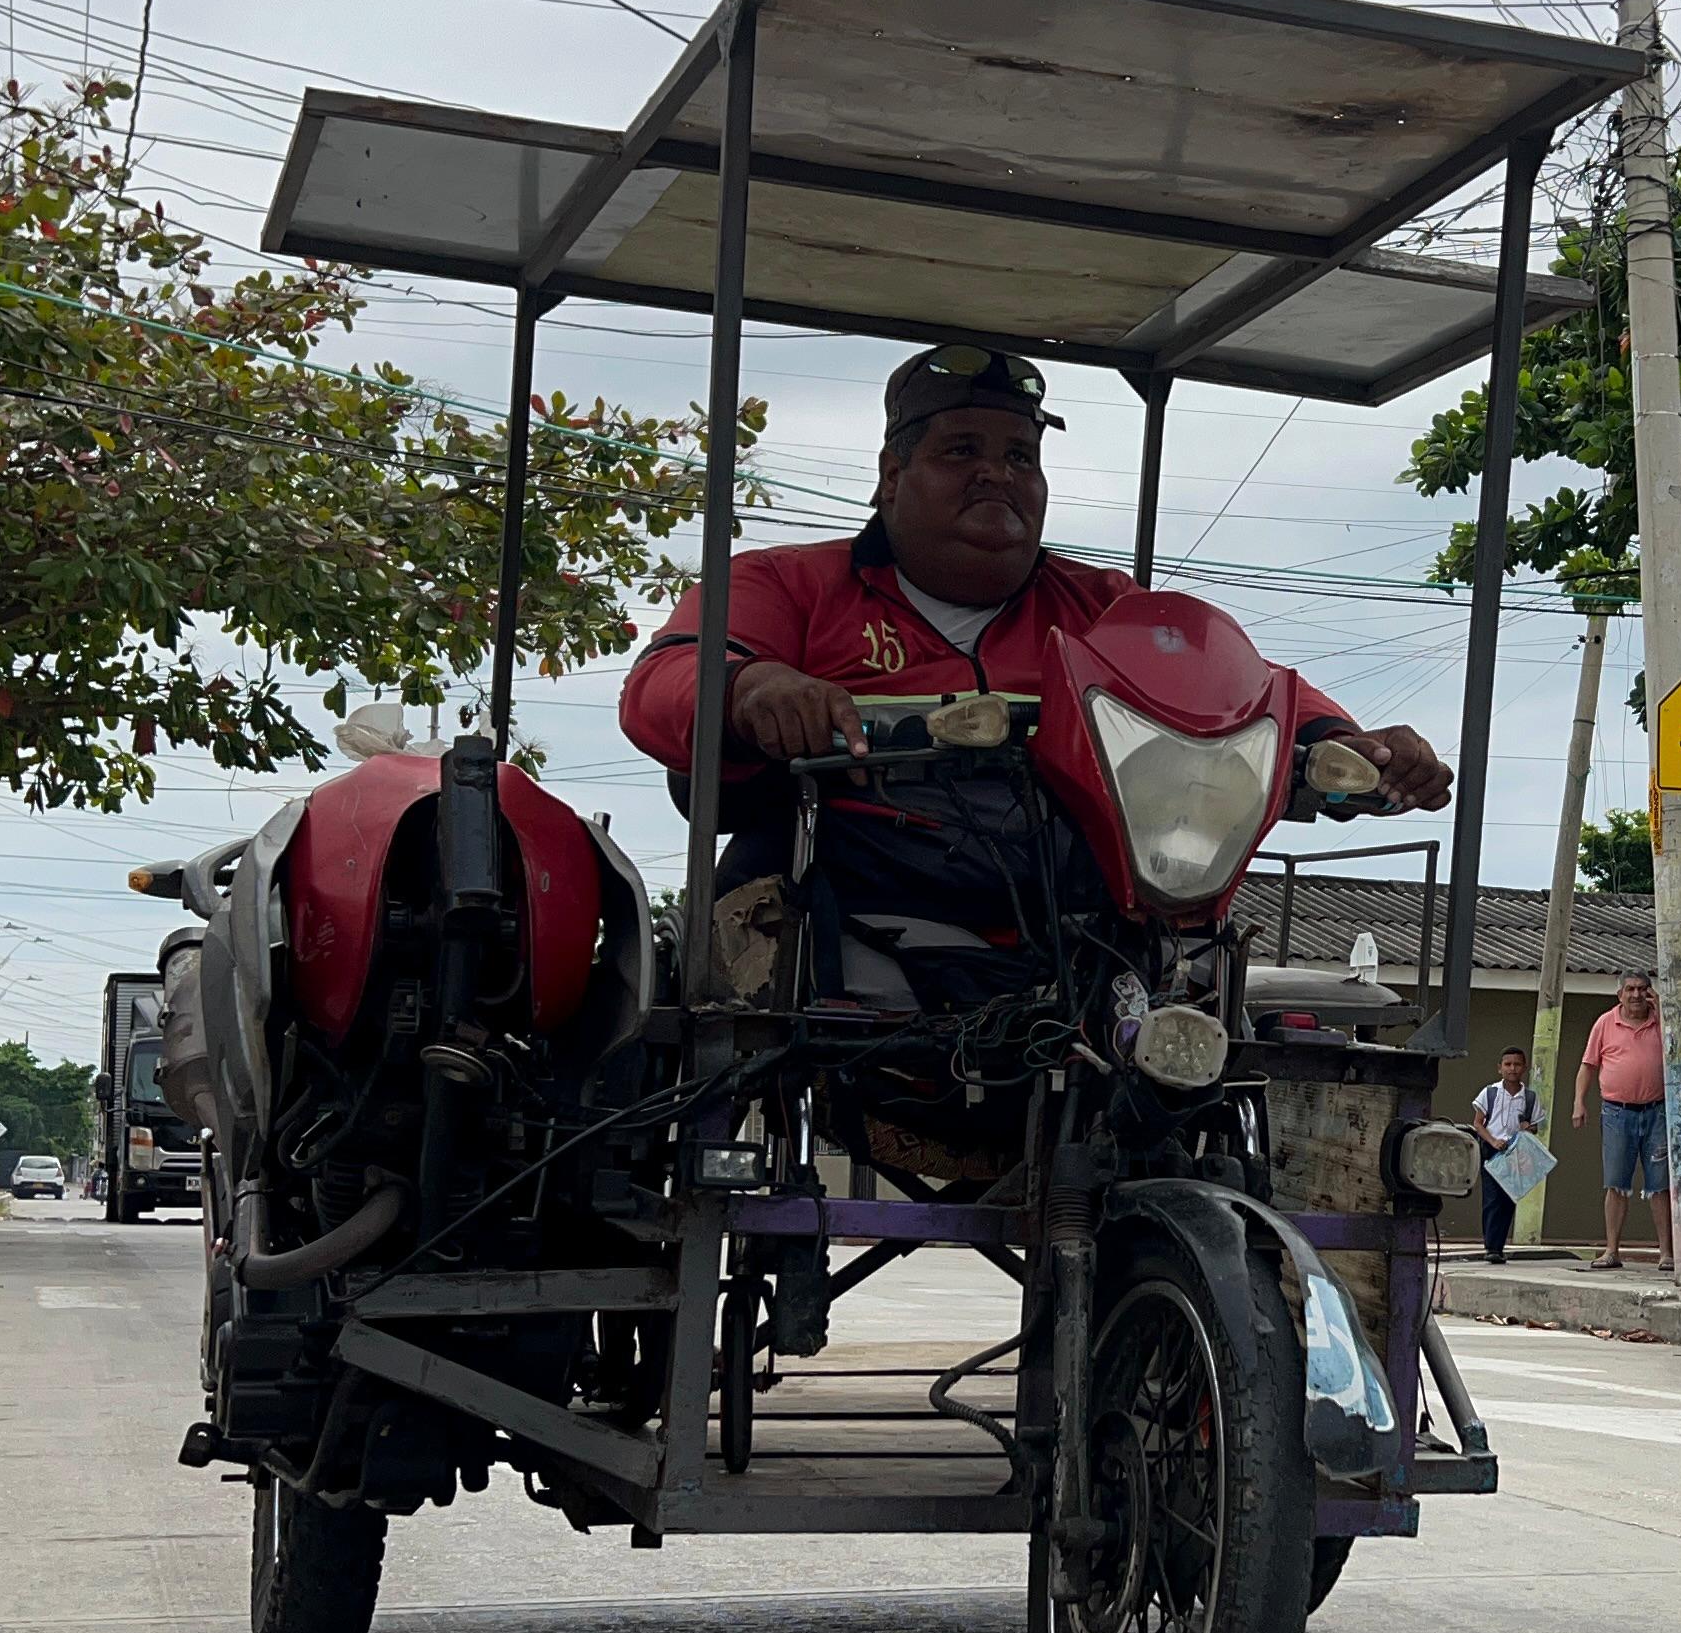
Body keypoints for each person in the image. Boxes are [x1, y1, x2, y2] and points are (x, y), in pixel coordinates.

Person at [619, 344, 1456, 1008]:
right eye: (961, 450)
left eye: (1021, 455)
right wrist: (753, 688)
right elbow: (662, 682)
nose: (998, 473)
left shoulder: (1103, 608)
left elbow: (1237, 686)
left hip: (1086, 928)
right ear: (890, 477)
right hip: (847, 907)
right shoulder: (785, 583)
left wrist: (1344, 742)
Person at [1570, 972, 1669, 1271]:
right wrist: (1579, 1102)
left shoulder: (1660, 1022)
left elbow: (1678, 1049)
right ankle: (1612, 1250)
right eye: (1630, 989)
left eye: (1642, 989)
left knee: (1661, 1185)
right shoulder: (1605, 1023)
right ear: (1620, 994)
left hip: (1658, 1112)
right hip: (1617, 1112)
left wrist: (1663, 1012)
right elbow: (1588, 1066)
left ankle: (1667, 1253)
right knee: (1616, 1184)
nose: (1636, 995)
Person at [1469, 1045, 1541, 1264]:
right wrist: (1492, 1141)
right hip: (1493, 1150)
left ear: (1524, 1068)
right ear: (1499, 1068)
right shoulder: (1490, 1093)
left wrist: (1528, 1128)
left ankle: (1499, 1246)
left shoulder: (1529, 1097)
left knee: (1508, 1199)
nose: (1512, 1069)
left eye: (1517, 1064)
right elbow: (1478, 1123)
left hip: (1516, 1152)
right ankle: (1491, 1246)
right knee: (1492, 1199)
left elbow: (1535, 1126)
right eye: (1508, 1064)